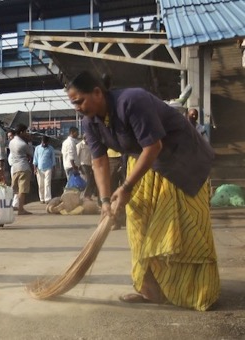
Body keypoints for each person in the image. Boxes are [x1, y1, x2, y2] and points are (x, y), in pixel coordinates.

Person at [67, 70, 219, 311]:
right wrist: (105, 200)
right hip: (146, 163)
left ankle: (195, 292)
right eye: (73, 103)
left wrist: (126, 188)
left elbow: (153, 145)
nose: (77, 107)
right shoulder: (90, 122)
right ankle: (152, 291)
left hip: (182, 159)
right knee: (139, 224)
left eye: (79, 101)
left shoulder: (132, 101)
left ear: (97, 93)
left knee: (177, 227)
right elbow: (99, 161)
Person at [8, 124, 34, 215]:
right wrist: (30, 142)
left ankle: (8, 207)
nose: (27, 134)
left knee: (14, 189)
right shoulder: (23, 144)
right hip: (23, 167)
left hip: (14, 168)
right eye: (25, 132)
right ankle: (20, 209)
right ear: (21, 132)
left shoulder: (11, 142)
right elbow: (31, 153)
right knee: (22, 190)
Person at [33, 135, 56, 204]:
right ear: (41, 141)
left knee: (47, 184)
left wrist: (53, 169)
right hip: (39, 169)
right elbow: (35, 159)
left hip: (48, 168)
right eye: (43, 142)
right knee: (40, 184)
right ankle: (42, 198)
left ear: (48, 142)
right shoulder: (37, 148)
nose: (44, 144)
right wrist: (34, 168)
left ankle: (47, 199)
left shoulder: (51, 149)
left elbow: (53, 159)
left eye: (46, 143)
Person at [76, 134, 97, 200]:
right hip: (83, 164)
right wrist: (78, 166)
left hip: (89, 164)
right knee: (88, 179)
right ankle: (85, 195)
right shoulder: (80, 145)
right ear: (85, 138)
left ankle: (89, 195)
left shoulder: (90, 145)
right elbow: (77, 156)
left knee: (92, 179)